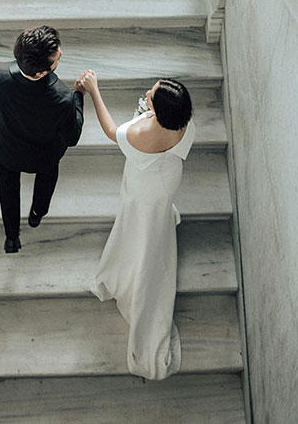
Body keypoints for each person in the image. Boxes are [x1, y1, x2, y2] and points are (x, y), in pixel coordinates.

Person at [77, 70, 194, 380]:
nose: (146, 95)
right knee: (157, 217)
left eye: (150, 97)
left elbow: (112, 130)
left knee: (140, 226)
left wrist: (94, 90)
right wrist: (149, 113)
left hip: (145, 188)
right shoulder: (185, 124)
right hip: (168, 181)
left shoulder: (141, 135)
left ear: (159, 110)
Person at [0, 26, 84, 253]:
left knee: (7, 185)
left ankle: (12, 237)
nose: (61, 54)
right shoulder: (63, 98)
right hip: (45, 155)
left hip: (8, 148)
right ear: (40, 73)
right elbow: (72, 137)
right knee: (47, 179)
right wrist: (79, 97)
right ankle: (36, 214)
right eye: (56, 58)